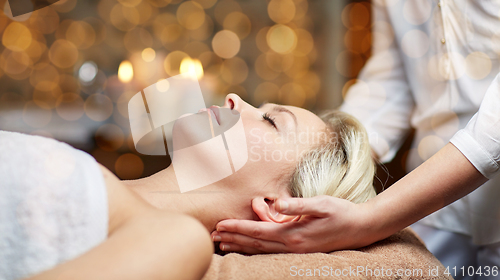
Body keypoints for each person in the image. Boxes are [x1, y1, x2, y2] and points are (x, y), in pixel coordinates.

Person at [212, 0, 500, 277]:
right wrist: (327, 166)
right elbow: (394, 76)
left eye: (271, 120)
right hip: (438, 208)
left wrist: (370, 219)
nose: (232, 100)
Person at [0, 93, 377, 280]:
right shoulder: (94, 175)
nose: (234, 98)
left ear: (278, 207)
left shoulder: (178, 239)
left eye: (271, 121)